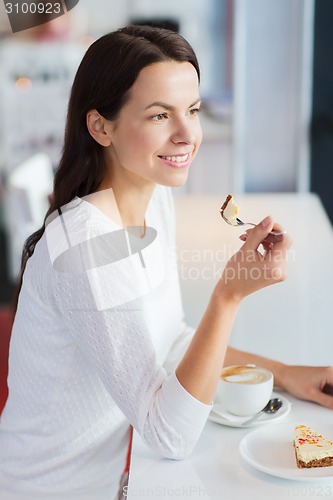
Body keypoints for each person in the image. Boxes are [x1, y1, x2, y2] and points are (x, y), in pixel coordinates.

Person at [0, 25, 332, 500]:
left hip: (117, 480)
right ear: (101, 127)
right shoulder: (86, 250)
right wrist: (228, 295)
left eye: (192, 110)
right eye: (160, 115)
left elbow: (169, 339)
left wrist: (287, 373)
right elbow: (170, 436)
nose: (187, 135)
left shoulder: (152, 199)